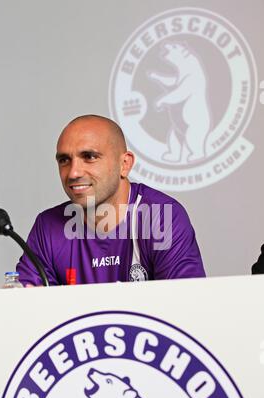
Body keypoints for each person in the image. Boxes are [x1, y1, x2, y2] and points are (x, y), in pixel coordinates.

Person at [17, 115, 205, 286]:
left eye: (89, 157)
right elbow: (30, 311)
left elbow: (184, 308)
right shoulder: (47, 227)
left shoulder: (161, 217)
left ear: (125, 164)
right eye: (64, 160)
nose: (73, 173)